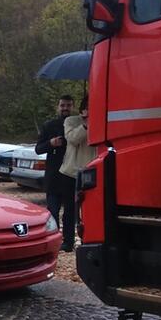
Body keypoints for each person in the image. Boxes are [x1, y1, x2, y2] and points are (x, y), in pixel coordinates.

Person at [35, 95, 75, 251]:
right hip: (53, 176)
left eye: (68, 105)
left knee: (70, 213)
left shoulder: (77, 125)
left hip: (70, 175)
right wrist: (50, 143)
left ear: (73, 106)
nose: (65, 108)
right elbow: (38, 149)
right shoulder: (49, 125)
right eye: (63, 105)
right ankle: (54, 240)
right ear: (58, 106)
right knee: (52, 211)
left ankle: (69, 242)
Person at [58, 95, 95, 252]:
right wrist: (86, 124)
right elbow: (72, 139)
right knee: (70, 210)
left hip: (91, 171)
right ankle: (68, 240)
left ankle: (89, 239)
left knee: (90, 208)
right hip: (71, 172)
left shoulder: (101, 121)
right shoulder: (71, 121)